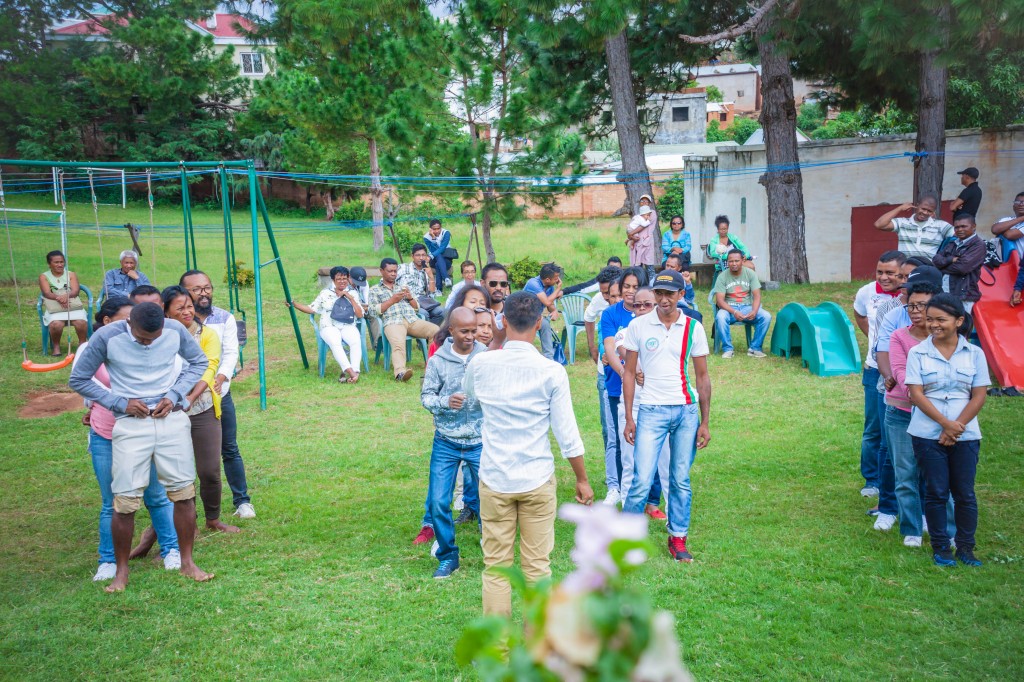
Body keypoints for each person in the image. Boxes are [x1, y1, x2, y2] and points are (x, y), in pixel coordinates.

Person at [464, 291, 593, 616]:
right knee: (537, 568)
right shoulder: (551, 371)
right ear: (539, 323)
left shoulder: (481, 363)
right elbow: (567, 433)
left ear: (501, 321)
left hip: (495, 478)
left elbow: (468, 396)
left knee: (496, 567)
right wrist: (582, 479)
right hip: (535, 479)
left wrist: (494, 344)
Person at [68, 302, 212, 592]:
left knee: (184, 492)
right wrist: (118, 402)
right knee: (124, 501)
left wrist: (174, 394)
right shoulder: (107, 337)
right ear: (129, 323)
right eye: (144, 338)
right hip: (131, 425)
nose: (150, 342)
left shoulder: (172, 330)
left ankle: (187, 562)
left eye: (155, 337)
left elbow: (199, 362)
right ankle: (121, 572)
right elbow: (79, 378)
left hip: (170, 420)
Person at [75, 297, 180, 582]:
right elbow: (84, 384)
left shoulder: (151, 343)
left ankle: (172, 549)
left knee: (157, 495)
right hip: (107, 433)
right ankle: (108, 560)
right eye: (124, 320)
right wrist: (118, 403)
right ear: (109, 321)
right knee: (113, 500)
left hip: (145, 431)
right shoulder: (95, 346)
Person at [622, 270, 712, 563]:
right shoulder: (638, 325)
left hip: (685, 411)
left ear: (680, 295)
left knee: (680, 480)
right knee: (642, 479)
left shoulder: (693, 328)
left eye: (669, 294)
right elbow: (629, 372)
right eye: (659, 293)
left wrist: (705, 421)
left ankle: (678, 538)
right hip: (650, 411)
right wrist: (629, 417)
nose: (663, 299)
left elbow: (702, 377)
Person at [905, 294, 988, 567]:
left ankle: (965, 548)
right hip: (927, 434)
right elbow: (916, 393)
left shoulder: (975, 354)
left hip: (966, 434)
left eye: (941, 319)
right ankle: (941, 548)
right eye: (930, 319)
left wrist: (955, 428)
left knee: (964, 494)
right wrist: (945, 424)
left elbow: (978, 395)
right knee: (936, 491)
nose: (933, 325)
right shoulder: (918, 352)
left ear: (959, 321)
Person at [179, 270, 256, 519]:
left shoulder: (224, 318)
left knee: (229, 448)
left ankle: (242, 501)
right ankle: (185, 508)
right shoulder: (175, 322)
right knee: (184, 454)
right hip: (183, 398)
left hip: (219, 394)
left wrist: (222, 377)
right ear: (184, 293)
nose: (204, 293)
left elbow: (231, 353)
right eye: (197, 289)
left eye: (208, 287)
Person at [162, 286, 238, 534]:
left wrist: (191, 397)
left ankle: (213, 519)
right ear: (166, 312)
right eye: (180, 308)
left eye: (189, 306)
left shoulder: (206, 335)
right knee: (180, 472)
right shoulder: (159, 337)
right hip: (169, 411)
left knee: (209, 470)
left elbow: (209, 366)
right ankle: (188, 521)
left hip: (203, 407)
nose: (187, 311)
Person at [886, 282, 956, 547]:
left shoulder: (945, 339)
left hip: (938, 417)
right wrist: (921, 393)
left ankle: (948, 531)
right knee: (905, 475)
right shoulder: (899, 337)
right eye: (912, 305)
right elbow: (901, 373)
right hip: (901, 412)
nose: (916, 311)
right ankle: (911, 529)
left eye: (923, 305)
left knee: (939, 477)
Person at [421, 307, 488, 579]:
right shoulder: (438, 361)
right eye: (465, 331)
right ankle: (448, 556)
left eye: (474, 330)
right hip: (446, 442)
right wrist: (445, 403)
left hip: (481, 440)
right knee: (438, 501)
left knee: (491, 500)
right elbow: (425, 397)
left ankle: (494, 554)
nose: (471, 336)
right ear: (451, 330)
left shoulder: (485, 357)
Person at [852, 250, 906, 499]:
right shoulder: (866, 292)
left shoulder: (911, 297)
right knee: (874, 427)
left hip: (905, 372)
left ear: (902, 274)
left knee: (896, 428)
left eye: (891, 273)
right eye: (880, 272)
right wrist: (876, 343)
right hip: (874, 369)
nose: (884, 277)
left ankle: (899, 478)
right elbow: (860, 315)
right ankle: (872, 480)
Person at [614, 287, 667, 520]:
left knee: (666, 465)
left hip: (663, 404)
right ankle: (629, 513)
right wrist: (635, 367)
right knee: (630, 462)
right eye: (637, 305)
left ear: (656, 305)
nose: (642, 309)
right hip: (633, 405)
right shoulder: (625, 332)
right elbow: (623, 352)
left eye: (648, 304)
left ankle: (672, 516)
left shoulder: (667, 332)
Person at [583, 267, 623, 504]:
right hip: (605, 376)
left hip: (626, 376)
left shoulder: (630, 306)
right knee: (609, 430)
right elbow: (590, 320)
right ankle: (613, 481)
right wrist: (593, 349)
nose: (609, 299)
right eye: (606, 294)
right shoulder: (602, 304)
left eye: (612, 293)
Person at [287, 266, 365, 383]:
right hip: (329, 326)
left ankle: (355, 371)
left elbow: (359, 315)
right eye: (339, 279)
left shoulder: (353, 292)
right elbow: (311, 309)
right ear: (333, 280)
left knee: (355, 339)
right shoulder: (325, 293)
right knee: (335, 341)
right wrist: (295, 305)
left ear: (348, 278)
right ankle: (350, 372)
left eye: (344, 278)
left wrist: (350, 298)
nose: (342, 281)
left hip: (347, 325)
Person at [368, 258, 440, 382]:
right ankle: (400, 373)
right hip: (393, 321)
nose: (393, 274)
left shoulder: (402, 287)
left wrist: (411, 298)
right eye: (390, 271)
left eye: (395, 271)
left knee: (437, 331)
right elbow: (373, 311)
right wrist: (392, 300)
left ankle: (432, 367)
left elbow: (417, 308)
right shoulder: (375, 290)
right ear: (381, 271)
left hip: (412, 320)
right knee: (398, 344)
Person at [712, 250, 771, 358]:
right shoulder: (722, 276)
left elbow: (757, 296)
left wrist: (754, 311)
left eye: (736, 261)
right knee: (720, 317)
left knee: (766, 316)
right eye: (731, 261)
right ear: (727, 262)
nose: (734, 264)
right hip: (729, 309)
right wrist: (734, 311)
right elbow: (720, 301)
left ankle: (755, 348)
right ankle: (728, 349)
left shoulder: (750, 274)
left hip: (747, 307)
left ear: (742, 260)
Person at [38, 250, 88, 354]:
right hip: (55, 308)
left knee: (80, 322)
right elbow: (47, 293)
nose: (60, 265)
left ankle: (82, 344)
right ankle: (56, 347)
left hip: (72, 306)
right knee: (56, 324)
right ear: (49, 264)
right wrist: (60, 298)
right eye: (56, 262)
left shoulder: (71, 274)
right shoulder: (43, 276)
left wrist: (66, 296)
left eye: (62, 262)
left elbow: (75, 291)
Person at [873, 195, 953, 260]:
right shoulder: (903, 223)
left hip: (928, 270)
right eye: (923, 209)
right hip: (905, 269)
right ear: (917, 205)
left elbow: (962, 236)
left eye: (929, 211)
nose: (925, 213)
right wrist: (900, 208)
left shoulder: (941, 225)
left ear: (933, 212)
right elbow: (879, 224)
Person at [934, 214, 986, 313]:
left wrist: (941, 267)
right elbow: (936, 259)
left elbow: (962, 268)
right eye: (957, 227)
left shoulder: (978, 245)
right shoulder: (952, 243)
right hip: (945, 293)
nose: (960, 229)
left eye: (963, 226)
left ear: (973, 226)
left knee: (961, 326)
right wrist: (950, 260)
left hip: (963, 295)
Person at [429, 285, 490, 357]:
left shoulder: (491, 339)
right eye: (473, 302)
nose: (477, 306)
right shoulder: (441, 342)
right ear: (461, 304)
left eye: (482, 303)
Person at [523, 262, 564, 360]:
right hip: (522, 315)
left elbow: (550, 305)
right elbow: (546, 302)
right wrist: (558, 289)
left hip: (535, 317)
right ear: (547, 279)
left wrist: (554, 311)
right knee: (542, 323)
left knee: (545, 325)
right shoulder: (533, 283)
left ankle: (549, 358)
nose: (558, 280)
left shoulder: (550, 287)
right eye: (556, 278)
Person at [398, 244, 443, 325]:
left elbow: (432, 295)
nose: (421, 258)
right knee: (424, 314)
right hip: (408, 302)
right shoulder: (403, 268)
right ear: (412, 256)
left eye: (423, 255)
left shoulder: (426, 271)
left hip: (424, 302)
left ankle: (432, 334)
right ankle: (428, 334)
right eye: (418, 255)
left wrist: (431, 277)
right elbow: (388, 280)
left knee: (441, 311)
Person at [705, 215, 752, 284]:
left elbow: (743, 247)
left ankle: (750, 287)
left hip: (738, 259)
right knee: (748, 266)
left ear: (728, 228)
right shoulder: (714, 240)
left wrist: (745, 255)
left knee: (751, 266)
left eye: (725, 229)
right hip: (723, 262)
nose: (723, 231)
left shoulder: (733, 237)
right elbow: (713, 253)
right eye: (721, 229)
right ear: (718, 229)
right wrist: (729, 256)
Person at [662, 254, 702, 323]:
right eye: (667, 265)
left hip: (681, 307)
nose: (669, 269)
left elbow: (690, 300)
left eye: (672, 267)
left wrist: (688, 282)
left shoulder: (683, 278)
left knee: (697, 316)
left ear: (679, 268)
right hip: (663, 308)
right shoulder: (658, 278)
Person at [481, 262, 510, 349]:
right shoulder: (474, 312)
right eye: (493, 283)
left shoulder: (513, 313)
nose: (498, 288)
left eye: (503, 284)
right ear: (482, 283)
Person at [626, 205, 657, 283]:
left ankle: (650, 283)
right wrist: (648, 220)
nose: (648, 216)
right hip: (635, 235)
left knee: (648, 264)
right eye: (647, 215)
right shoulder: (641, 219)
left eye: (646, 201)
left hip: (644, 242)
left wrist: (630, 235)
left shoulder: (652, 213)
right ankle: (639, 282)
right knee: (638, 265)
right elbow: (644, 225)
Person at [991, 191, 1024, 262]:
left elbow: (1009, 235)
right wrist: (1021, 218)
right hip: (1009, 265)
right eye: (1018, 202)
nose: (1021, 204)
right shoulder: (1006, 219)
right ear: (1013, 206)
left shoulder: (1007, 222)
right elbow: (994, 229)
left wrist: (1002, 229)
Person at [424, 219, 452, 290]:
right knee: (438, 257)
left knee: (438, 264)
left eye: (438, 228)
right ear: (430, 229)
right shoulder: (426, 237)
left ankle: (439, 289)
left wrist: (431, 256)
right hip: (433, 260)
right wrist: (433, 238)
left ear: (441, 227)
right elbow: (433, 250)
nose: (436, 231)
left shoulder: (446, 233)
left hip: (446, 259)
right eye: (434, 229)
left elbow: (442, 248)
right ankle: (446, 278)